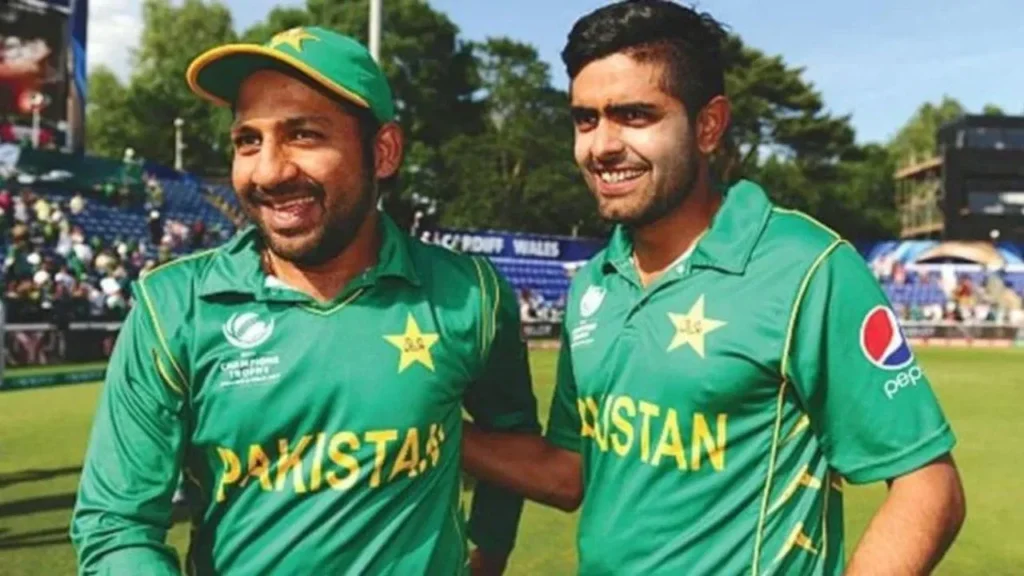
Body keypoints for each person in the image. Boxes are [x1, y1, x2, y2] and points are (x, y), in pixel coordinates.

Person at [461, 2, 966, 575]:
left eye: (634, 115)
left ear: (707, 126)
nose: (600, 146)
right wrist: (428, 426)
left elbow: (930, 486)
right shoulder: (595, 282)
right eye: (585, 119)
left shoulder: (807, 267)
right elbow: (570, 471)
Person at [71, 27, 538, 575]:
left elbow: (514, 445)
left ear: (383, 152)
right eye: (248, 141)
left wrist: (489, 554)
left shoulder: (471, 293)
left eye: (304, 135)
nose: (269, 171)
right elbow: (116, 523)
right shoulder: (172, 306)